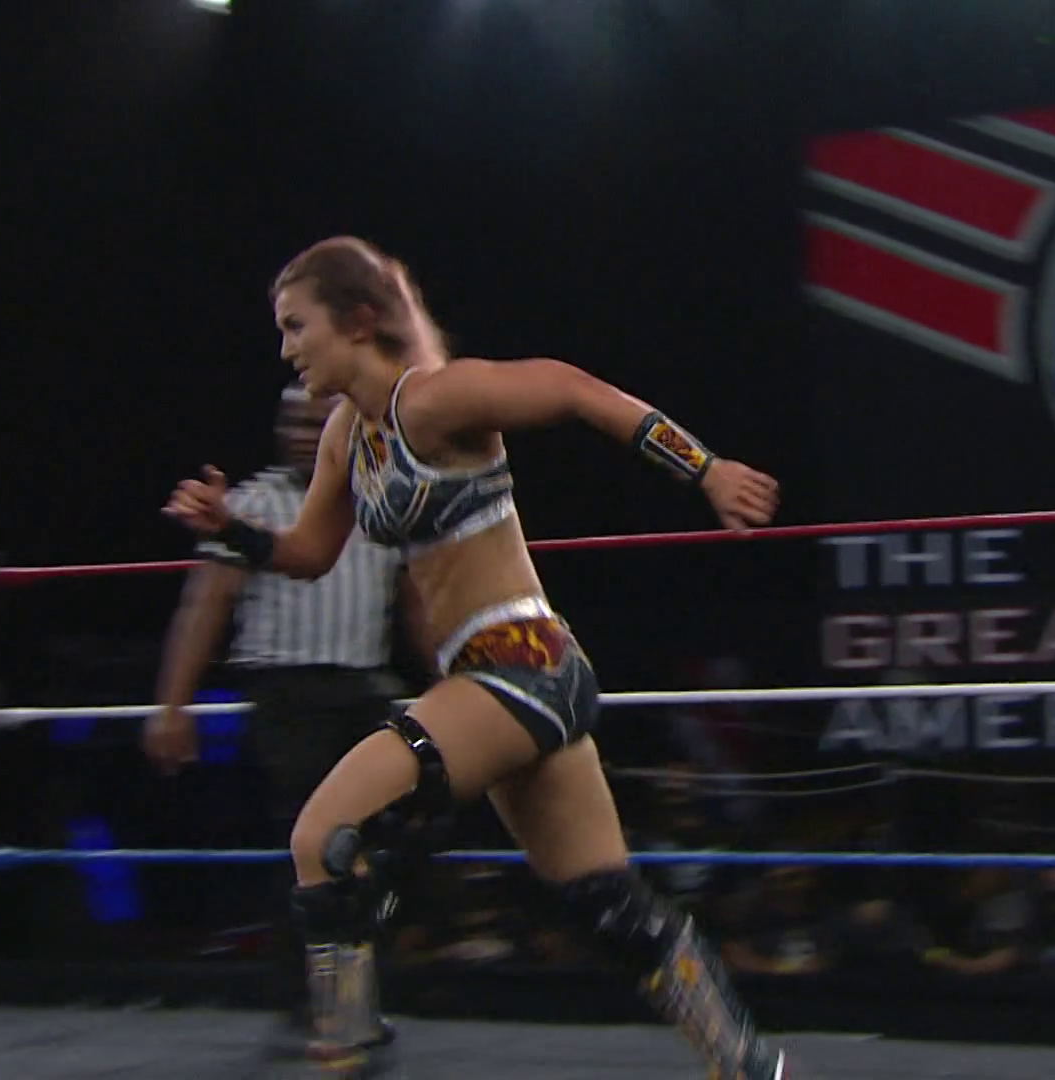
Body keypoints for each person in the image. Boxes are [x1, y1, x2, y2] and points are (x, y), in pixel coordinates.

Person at [163, 235, 792, 1077]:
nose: (286, 349)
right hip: (495, 684)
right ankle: (748, 1063)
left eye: (296, 326)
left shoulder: (435, 399)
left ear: (357, 322)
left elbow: (572, 388)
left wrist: (705, 469)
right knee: (608, 905)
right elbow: (310, 553)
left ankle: (347, 1045)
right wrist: (229, 529)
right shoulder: (348, 436)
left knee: (325, 836)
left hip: (520, 660)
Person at [147, 383, 414, 1060]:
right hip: (287, 693)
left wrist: (461, 683)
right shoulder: (253, 504)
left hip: (365, 691)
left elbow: (418, 602)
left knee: (376, 849)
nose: (301, 432)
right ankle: (310, 1005)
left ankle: (352, 1001)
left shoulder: (379, 499)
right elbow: (206, 604)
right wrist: (173, 705)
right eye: (292, 421)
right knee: (314, 846)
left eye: (316, 421)